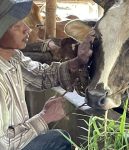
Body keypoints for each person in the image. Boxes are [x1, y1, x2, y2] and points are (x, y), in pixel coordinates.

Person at [0, 0, 95, 150]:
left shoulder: (13, 58)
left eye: (23, 22)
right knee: (58, 140)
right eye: (15, 25)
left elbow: (40, 75)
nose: (27, 29)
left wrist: (78, 61)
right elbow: (3, 144)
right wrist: (45, 117)